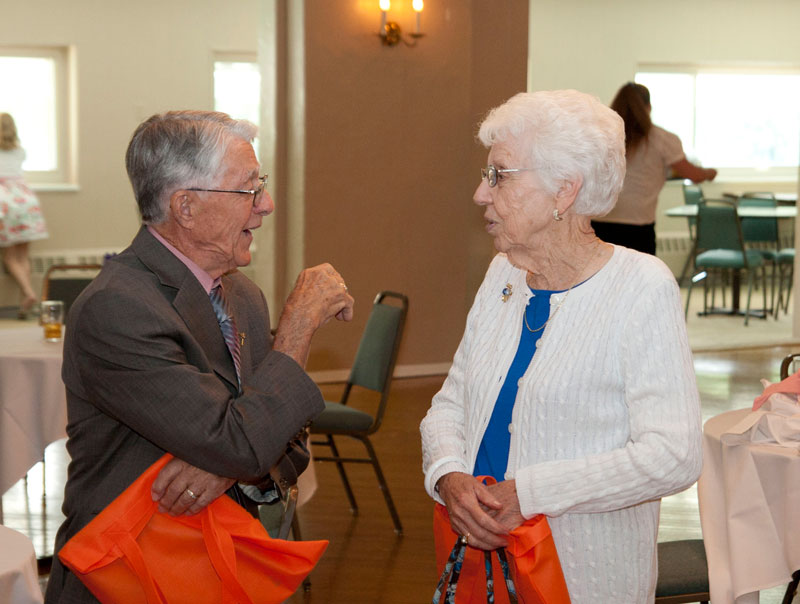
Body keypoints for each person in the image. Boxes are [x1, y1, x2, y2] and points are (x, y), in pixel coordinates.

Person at [45, 110, 354, 603]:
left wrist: (226, 463)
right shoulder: (118, 307)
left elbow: (288, 437)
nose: (266, 205)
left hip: (225, 567)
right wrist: (296, 331)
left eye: (262, 185)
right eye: (249, 189)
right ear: (185, 206)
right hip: (128, 577)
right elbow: (246, 437)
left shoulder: (243, 295)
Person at [420, 90, 702, 603]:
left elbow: (675, 455)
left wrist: (528, 494)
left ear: (564, 191)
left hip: (583, 574)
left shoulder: (641, 286)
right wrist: (448, 476)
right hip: (478, 562)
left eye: (498, 175)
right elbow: (452, 401)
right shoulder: (503, 272)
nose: (481, 194)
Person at [591, 82, 717, 255]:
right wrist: (709, 173)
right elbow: (693, 174)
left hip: (599, 224)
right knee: (639, 281)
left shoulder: (601, 137)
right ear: (648, 107)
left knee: (601, 281)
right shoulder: (661, 139)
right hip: (637, 227)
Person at [0, 112, 48, 318]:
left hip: (6, 203)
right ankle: (24, 305)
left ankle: (28, 292)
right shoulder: (20, 151)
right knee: (23, 256)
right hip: (26, 202)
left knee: (10, 257)